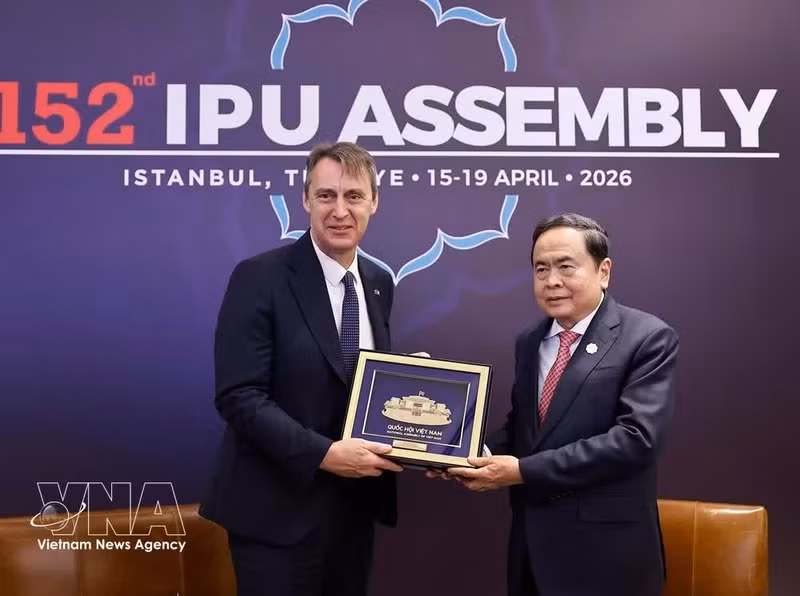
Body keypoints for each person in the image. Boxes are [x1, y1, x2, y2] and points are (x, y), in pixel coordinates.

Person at [199, 142, 403, 596]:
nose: (339, 210)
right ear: (306, 200)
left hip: (353, 511)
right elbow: (239, 395)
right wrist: (325, 454)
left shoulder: (377, 283)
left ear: (374, 201)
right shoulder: (260, 277)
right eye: (326, 195)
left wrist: (404, 391)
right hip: (275, 514)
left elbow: (357, 383)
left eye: (353, 196)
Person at [447, 213, 679, 596]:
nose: (551, 281)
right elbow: (525, 426)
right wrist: (468, 454)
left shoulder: (648, 338)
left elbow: (636, 440)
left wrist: (522, 471)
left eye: (565, 267)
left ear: (603, 271)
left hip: (607, 559)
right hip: (532, 554)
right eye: (541, 269)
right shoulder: (529, 341)